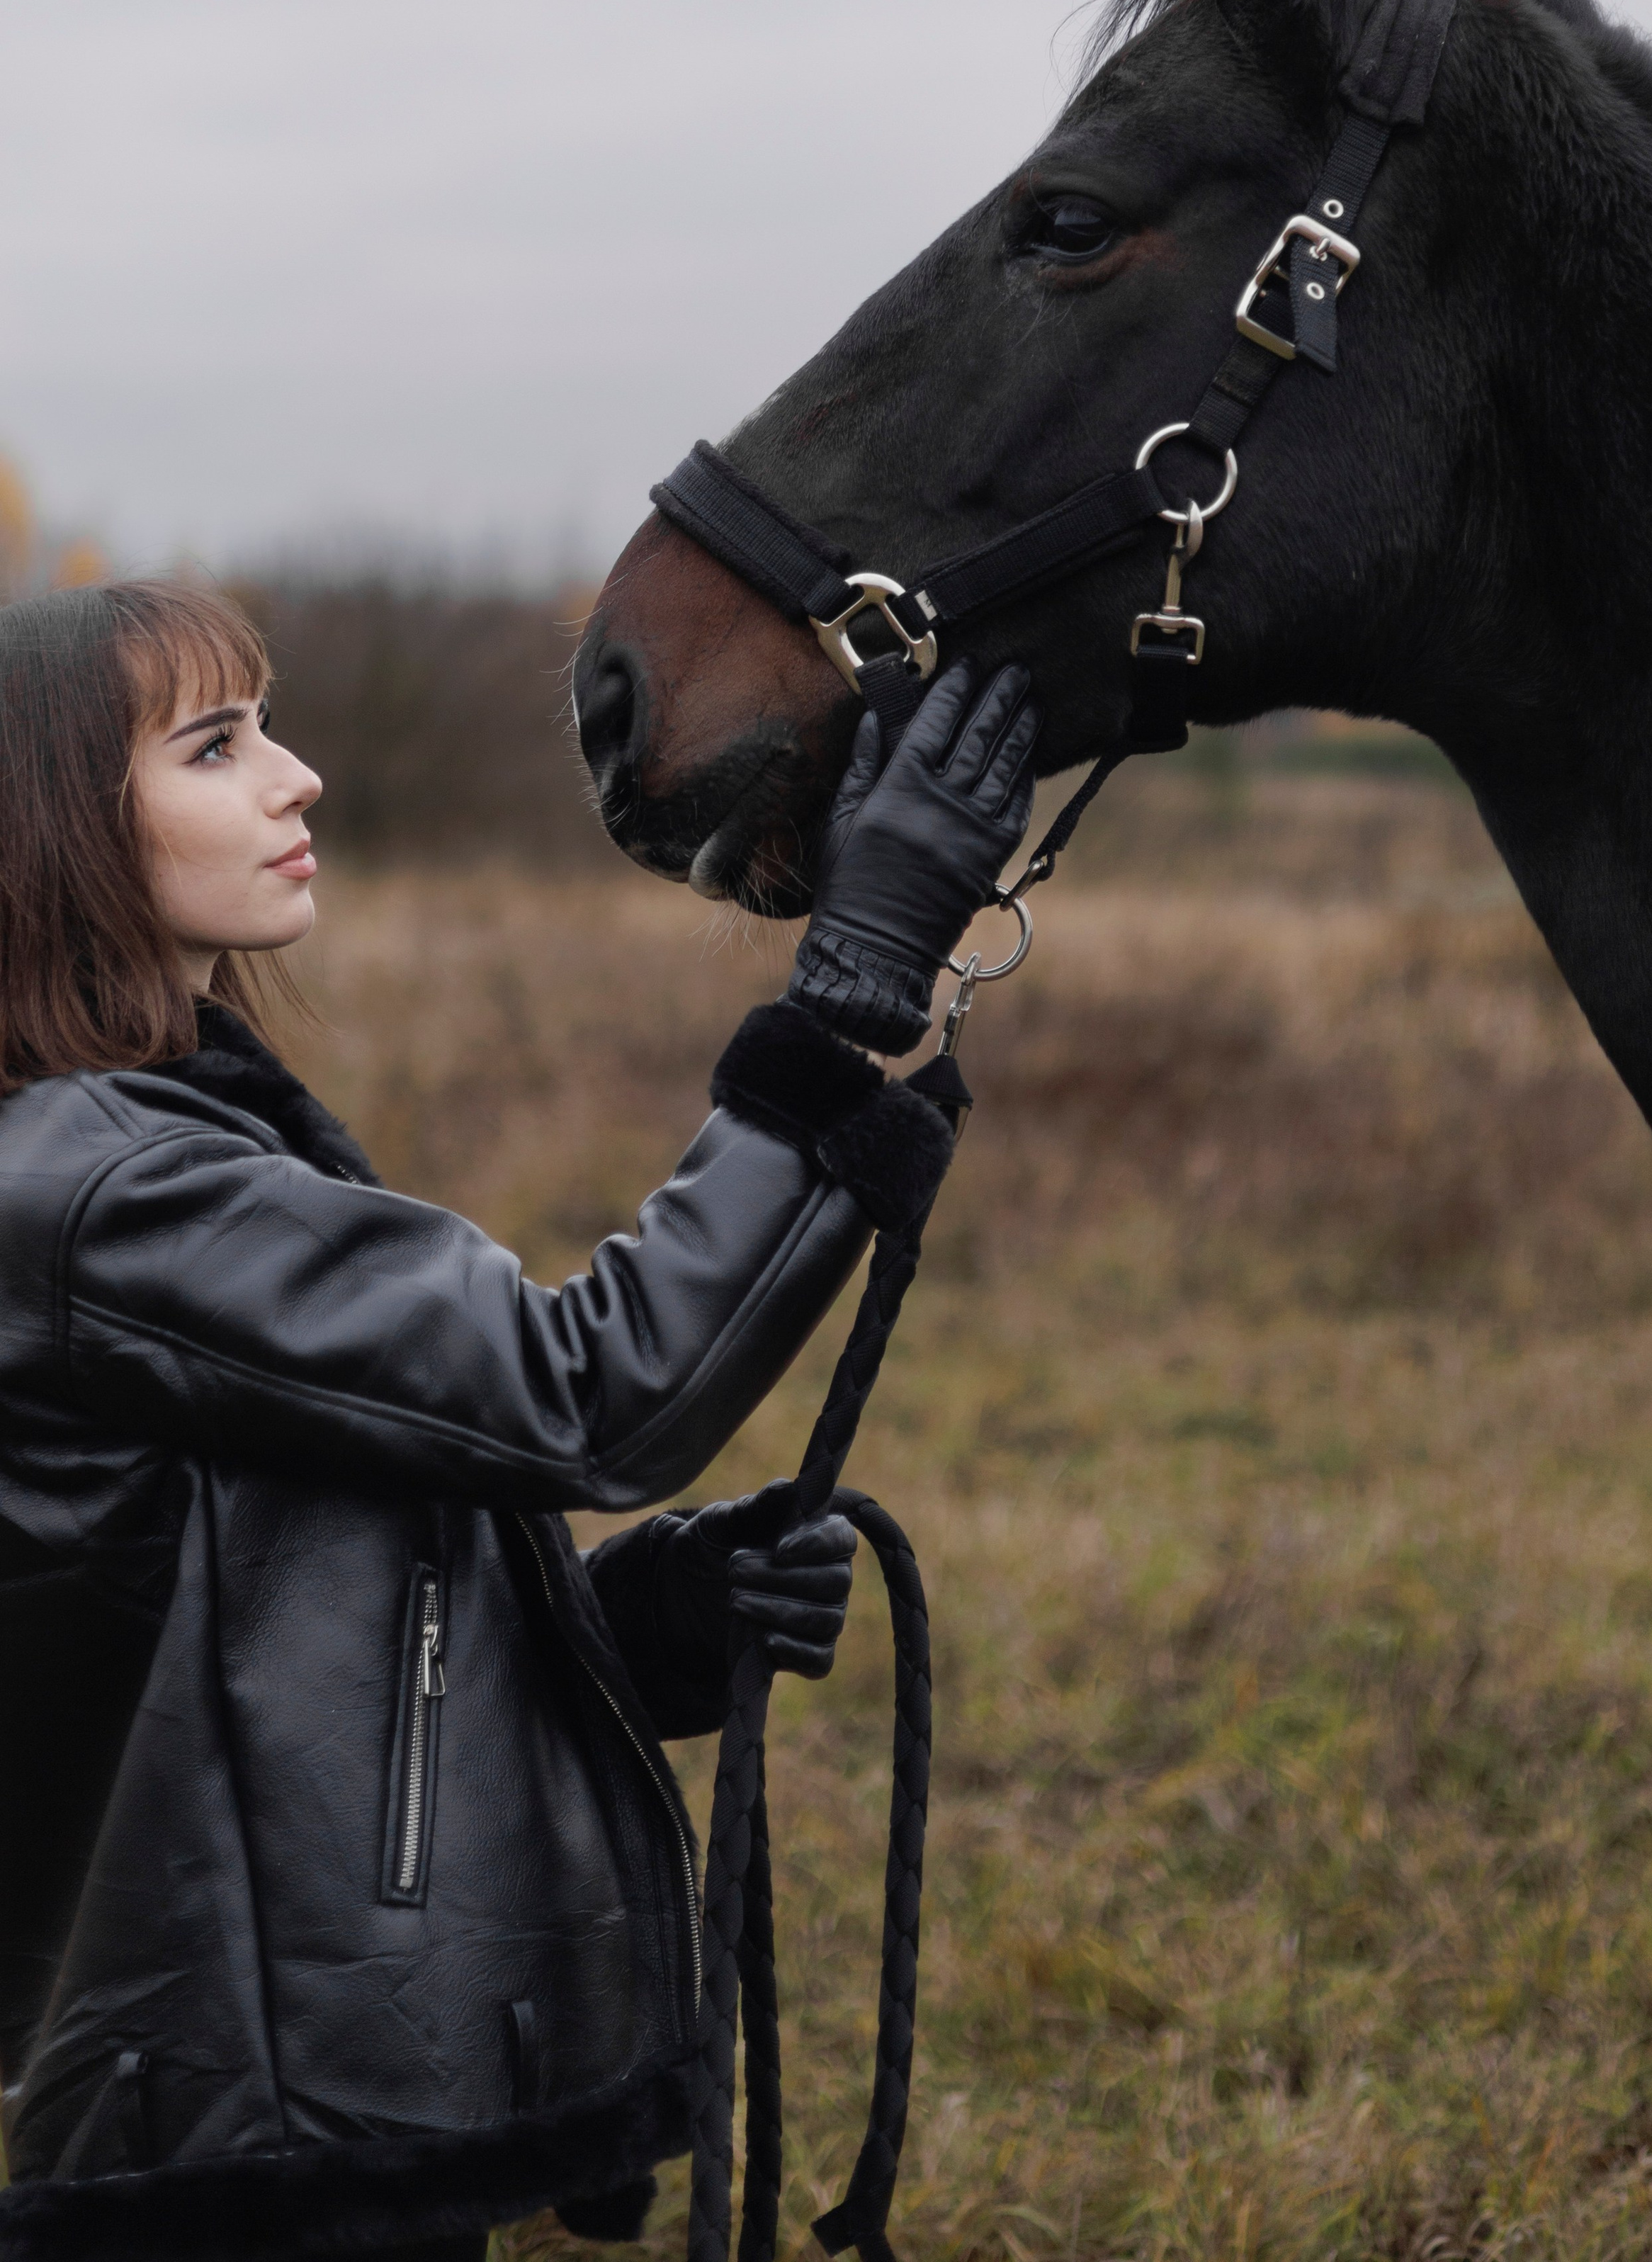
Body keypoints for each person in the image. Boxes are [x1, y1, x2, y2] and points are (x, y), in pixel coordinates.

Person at [0, 579, 1037, 2262]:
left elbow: (245, 1644)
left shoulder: (149, 1152)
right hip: (229, 2151)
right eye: (216, 745)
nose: (298, 777)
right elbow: (586, 1391)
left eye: (267, 723)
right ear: (51, 825)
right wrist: (845, 994)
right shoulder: (97, 1191)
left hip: (262, 2114)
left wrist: (632, 1623)